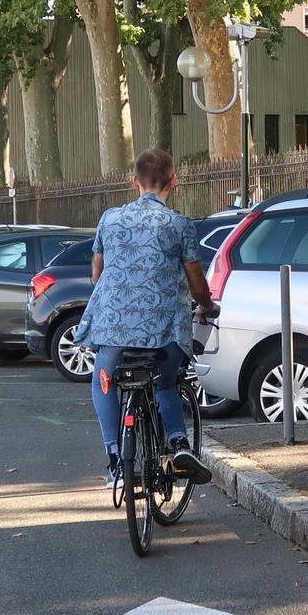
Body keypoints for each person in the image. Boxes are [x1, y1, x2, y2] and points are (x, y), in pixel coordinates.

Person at [80, 148, 217, 489]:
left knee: (103, 381)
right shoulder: (180, 224)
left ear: (134, 182)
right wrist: (207, 307)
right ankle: (179, 444)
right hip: (163, 330)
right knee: (165, 382)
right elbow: (197, 284)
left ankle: (115, 460)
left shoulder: (109, 219)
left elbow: (97, 275)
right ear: (174, 182)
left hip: (113, 329)